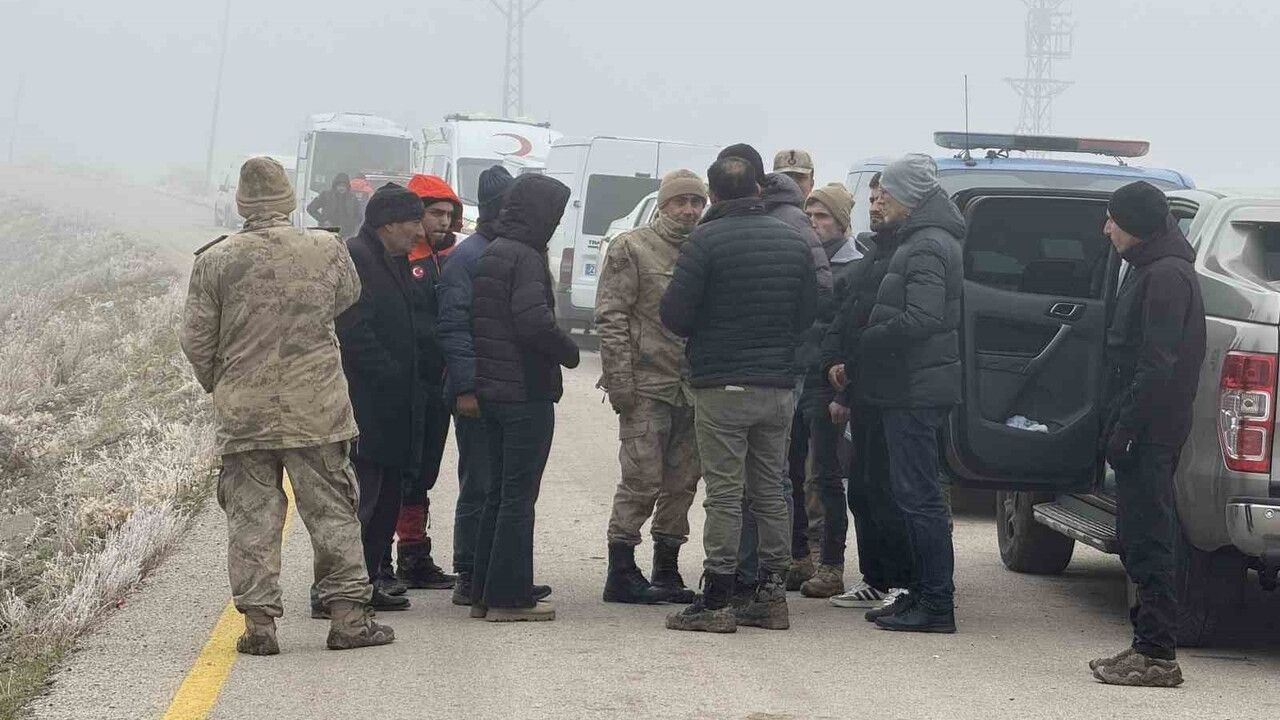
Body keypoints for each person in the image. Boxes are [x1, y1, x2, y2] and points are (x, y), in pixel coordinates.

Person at [180, 156, 393, 653]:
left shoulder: (215, 260)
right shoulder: (327, 248)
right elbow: (347, 299)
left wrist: (223, 383)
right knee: (334, 512)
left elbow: (196, 339)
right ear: (291, 198)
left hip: (244, 412)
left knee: (251, 518)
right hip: (317, 409)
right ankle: (348, 619)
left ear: (240, 203)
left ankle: (259, 628)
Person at [660, 156, 817, 633]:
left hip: (722, 386)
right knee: (771, 490)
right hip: (778, 386)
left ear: (715, 194)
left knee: (725, 494)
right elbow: (810, 311)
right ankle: (771, 597)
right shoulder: (794, 241)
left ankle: (717, 600)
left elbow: (676, 315)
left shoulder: (704, 241)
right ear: (758, 190)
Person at [828, 154, 964, 633]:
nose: (879, 199)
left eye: (886, 192)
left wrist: (867, 339)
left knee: (919, 498)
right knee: (901, 494)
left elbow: (923, 318)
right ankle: (914, 593)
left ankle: (935, 601)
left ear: (910, 195)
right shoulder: (914, 240)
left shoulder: (927, 244)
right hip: (901, 386)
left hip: (914, 389)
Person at [1089, 181, 1204, 688]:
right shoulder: (1149, 268)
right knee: (1137, 537)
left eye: (1113, 218)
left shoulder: (1166, 276)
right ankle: (1145, 646)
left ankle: (1158, 655)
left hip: (1151, 430)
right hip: (1141, 426)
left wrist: (1127, 429)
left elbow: (1157, 366)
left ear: (1134, 221)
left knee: (1151, 538)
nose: (1106, 227)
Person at [718, 143, 832, 594]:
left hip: (770, 366)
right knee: (774, 474)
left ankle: (755, 573)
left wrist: (779, 333)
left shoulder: (777, 223)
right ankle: (770, 574)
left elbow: (819, 295)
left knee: (761, 477)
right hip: (781, 364)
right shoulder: (792, 222)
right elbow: (818, 294)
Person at [470, 174, 580, 622]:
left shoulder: (494, 251)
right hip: (525, 393)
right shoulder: (527, 257)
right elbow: (532, 321)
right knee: (518, 497)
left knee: (496, 493)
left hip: (493, 391)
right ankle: (509, 598)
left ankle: (484, 590)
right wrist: (569, 351)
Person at [596, 169, 707, 606]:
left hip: (692, 386)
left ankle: (667, 566)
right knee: (641, 478)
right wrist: (621, 379)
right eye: (681, 202)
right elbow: (612, 315)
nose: (689, 210)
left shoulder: (704, 249)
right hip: (647, 384)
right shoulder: (632, 247)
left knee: (683, 481)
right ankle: (621, 567)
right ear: (662, 205)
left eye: (697, 202)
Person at [823, 173, 916, 611]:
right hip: (865, 388)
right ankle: (876, 578)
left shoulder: (912, 251)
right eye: (874, 198)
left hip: (898, 391)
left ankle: (901, 582)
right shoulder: (877, 250)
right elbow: (853, 315)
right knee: (862, 488)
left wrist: (852, 374)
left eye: (885, 198)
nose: (876, 205)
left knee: (892, 491)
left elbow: (891, 328)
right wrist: (837, 366)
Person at [335, 183, 426, 612]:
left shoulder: (391, 259)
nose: (419, 232)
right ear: (388, 224)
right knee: (361, 504)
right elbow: (354, 329)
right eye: (412, 223)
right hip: (368, 405)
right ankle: (336, 589)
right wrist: (390, 373)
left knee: (385, 502)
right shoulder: (357, 257)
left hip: (392, 407)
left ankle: (367, 582)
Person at [384, 173, 465, 592]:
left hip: (437, 383)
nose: (443, 222)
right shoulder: (397, 259)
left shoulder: (447, 257)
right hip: (403, 384)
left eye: (449, 215)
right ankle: (385, 558)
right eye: (435, 213)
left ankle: (414, 555)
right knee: (399, 470)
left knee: (424, 471)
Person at [794, 182, 863, 599]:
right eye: (811, 216)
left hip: (827, 384)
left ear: (840, 222)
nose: (815, 224)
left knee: (826, 477)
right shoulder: (803, 259)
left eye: (822, 217)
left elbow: (850, 334)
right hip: (796, 379)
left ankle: (831, 564)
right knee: (790, 472)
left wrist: (843, 394)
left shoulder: (855, 268)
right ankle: (797, 556)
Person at [306, 173, 362, 238]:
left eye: (344, 186)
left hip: (347, 234)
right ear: (335, 185)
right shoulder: (326, 195)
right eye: (339, 185)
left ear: (347, 187)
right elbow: (311, 208)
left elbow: (359, 216)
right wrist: (323, 220)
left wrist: (351, 225)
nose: (341, 188)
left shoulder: (353, 199)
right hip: (328, 232)